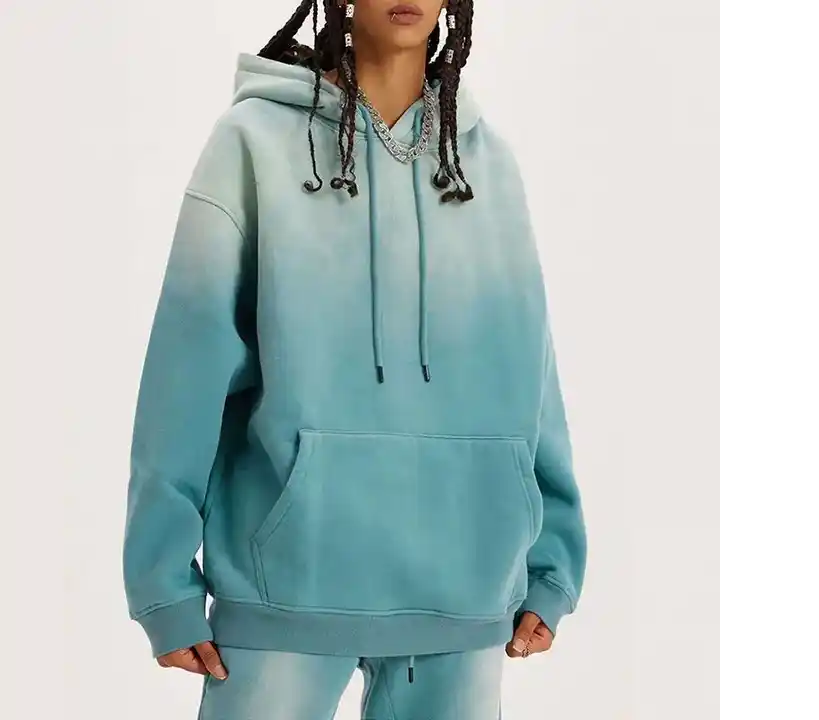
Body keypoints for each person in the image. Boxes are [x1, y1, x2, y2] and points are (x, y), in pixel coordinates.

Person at [122, 0, 587, 717]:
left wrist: (553, 562)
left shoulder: (487, 164)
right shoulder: (254, 143)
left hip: (464, 593)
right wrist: (161, 580)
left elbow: (531, 371)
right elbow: (185, 371)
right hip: (287, 588)